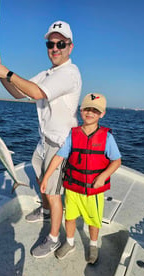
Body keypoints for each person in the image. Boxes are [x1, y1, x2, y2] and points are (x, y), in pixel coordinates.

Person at [0, 21, 82, 258]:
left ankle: (53, 238)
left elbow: (37, 92)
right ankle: (47, 211)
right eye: (51, 43)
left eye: (61, 43)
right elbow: (19, 92)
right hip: (44, 140)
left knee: (53, 191)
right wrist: (0, 75)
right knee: (41, 179)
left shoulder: (70, 73)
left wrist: (6, 72)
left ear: (70, 47)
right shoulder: (47, 73)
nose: (55, 48)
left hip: (61, 144)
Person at [40, 93, 121, 264]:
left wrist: (103, 176)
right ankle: (70, 243)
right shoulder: (73, 134)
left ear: (102, 114)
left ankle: (93, 245)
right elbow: (59, 156)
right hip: (72, 188)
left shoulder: (107, 137)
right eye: (87, 109)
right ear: (81, 110)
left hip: (94, 191)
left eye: (95, 111)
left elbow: (116, 161)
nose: (90, 113)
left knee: (93, 220)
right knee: (69, 217)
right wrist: (46, 177)